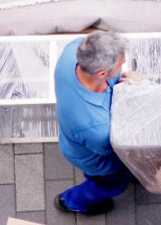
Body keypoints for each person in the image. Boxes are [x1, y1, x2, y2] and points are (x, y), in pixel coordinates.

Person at [53, 31, 135, 215]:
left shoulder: (74, 51)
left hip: (73, 140)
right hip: (97, 161)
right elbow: (116, 150)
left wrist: (121, 81)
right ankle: (72, 202)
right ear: (102, 73)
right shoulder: (97, 127)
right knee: (111, 184)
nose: (123, 67)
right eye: (120, 65)